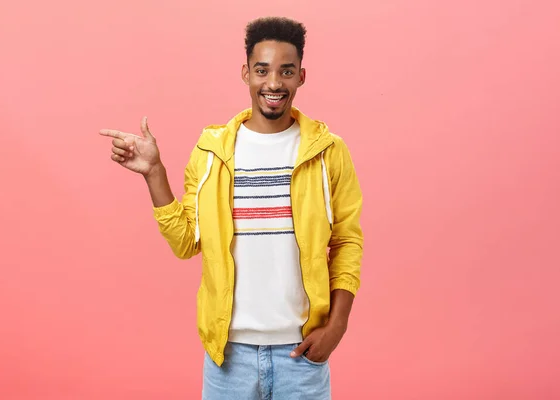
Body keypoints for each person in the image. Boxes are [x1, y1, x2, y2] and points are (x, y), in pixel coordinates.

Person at [99, 16, 363, 400]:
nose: (274, 83)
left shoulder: (328, 152)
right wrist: (154, 173)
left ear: (301, 76)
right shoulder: (213, 152)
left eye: (286, 72)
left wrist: (337, 327)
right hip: (229, 359)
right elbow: (187, 241)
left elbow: (347, 242)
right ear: (246, 73)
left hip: (301, 356)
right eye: (262, 70)